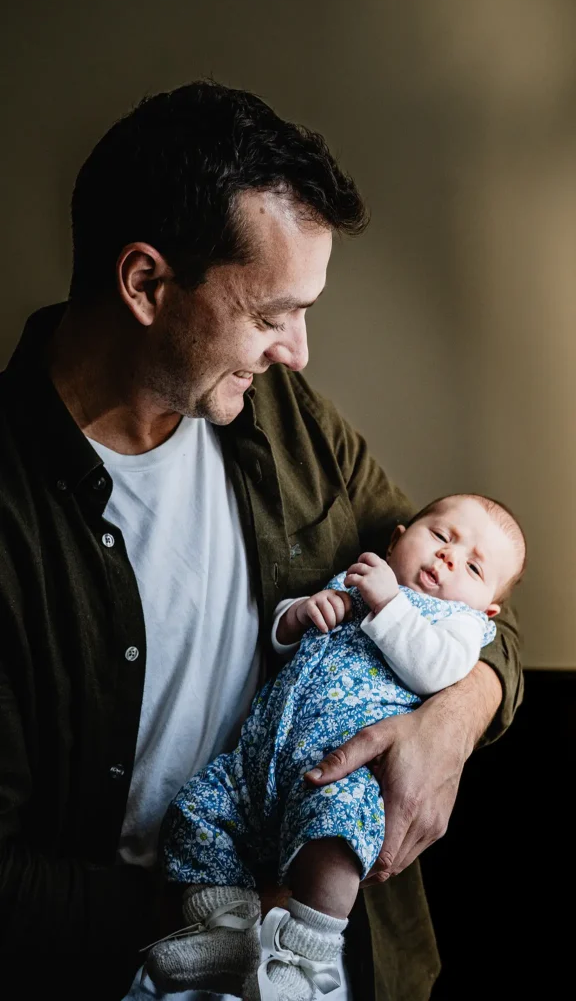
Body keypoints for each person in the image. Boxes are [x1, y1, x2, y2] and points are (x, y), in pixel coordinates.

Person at [0, 81, 523, 1001]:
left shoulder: (281, 419)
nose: (297, 351)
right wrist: (230, 910)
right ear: (146, 284)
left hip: (356, 971)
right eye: (270, 313)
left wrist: (454, 717)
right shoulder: (10, 517)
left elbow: (472, 602)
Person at [145, 493, 526, 1000]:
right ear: (396, 540)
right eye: (440, 536)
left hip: (337, 772)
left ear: (489, 610)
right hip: (258, 759)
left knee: (335, 846)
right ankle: (225, 933)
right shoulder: (360, 578)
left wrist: (389, 603)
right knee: (196, 812)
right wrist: (300, 614)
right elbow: (283, 637)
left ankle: (304, 959)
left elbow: (433, 667)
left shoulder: (457, 627)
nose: (449, 557)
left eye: (474, 568)